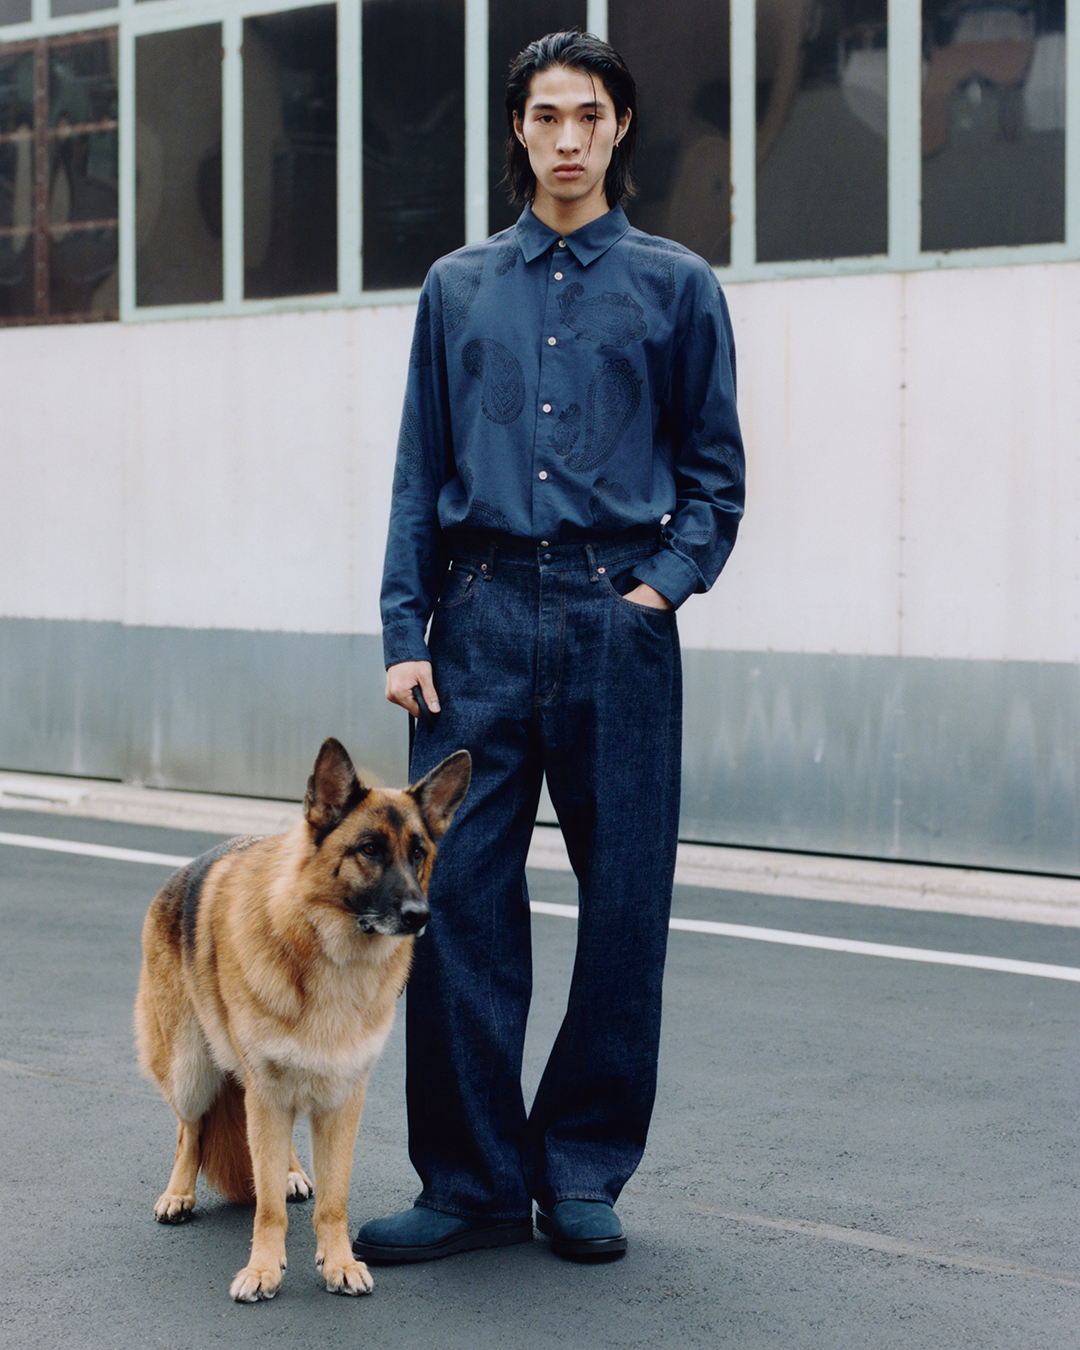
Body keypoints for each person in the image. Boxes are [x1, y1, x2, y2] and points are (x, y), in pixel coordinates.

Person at [353, 29, 744, 1265]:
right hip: (471, 625)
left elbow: (715, 480)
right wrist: (403, 627)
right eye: (546, 118)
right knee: (455, 906)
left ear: (620, 128)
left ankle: (580, 1171)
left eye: (590, 117)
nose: (568, 140)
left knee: (625, 904)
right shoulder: (455, 287)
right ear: (517, 131)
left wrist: (658, 592)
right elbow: (421, 468)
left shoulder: (678, 286)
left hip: (611, 619)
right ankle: (468, 1182)